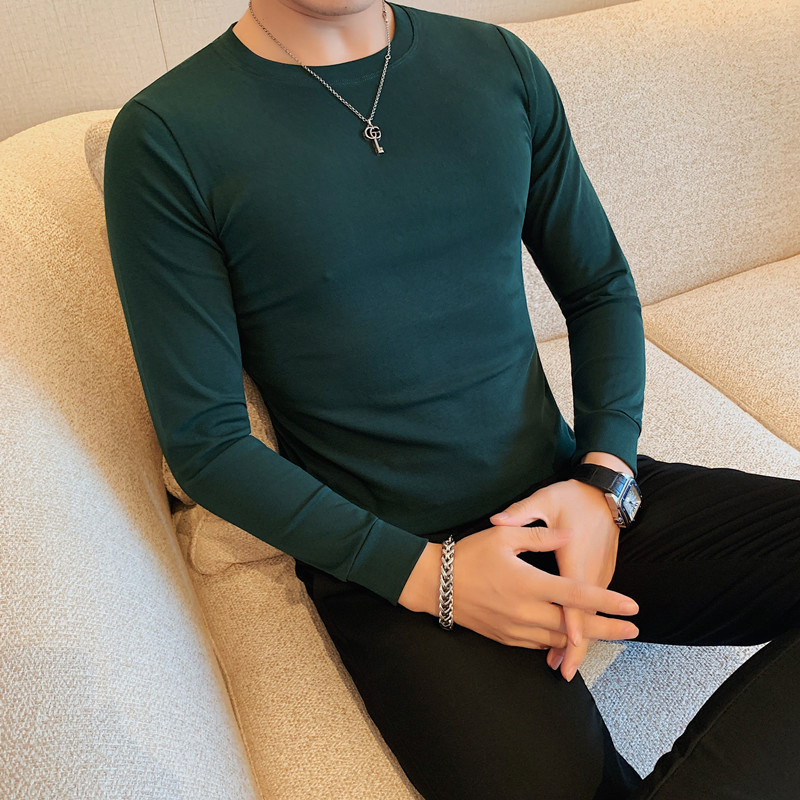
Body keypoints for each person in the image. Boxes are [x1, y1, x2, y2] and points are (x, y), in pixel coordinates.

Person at [102, 0, 800, 797]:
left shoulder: (497, 66)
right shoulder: (167, 136)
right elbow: (207, 441)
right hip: (398, 567)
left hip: (563, 496)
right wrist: (429, 576)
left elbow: (600, 286)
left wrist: (605, 482)